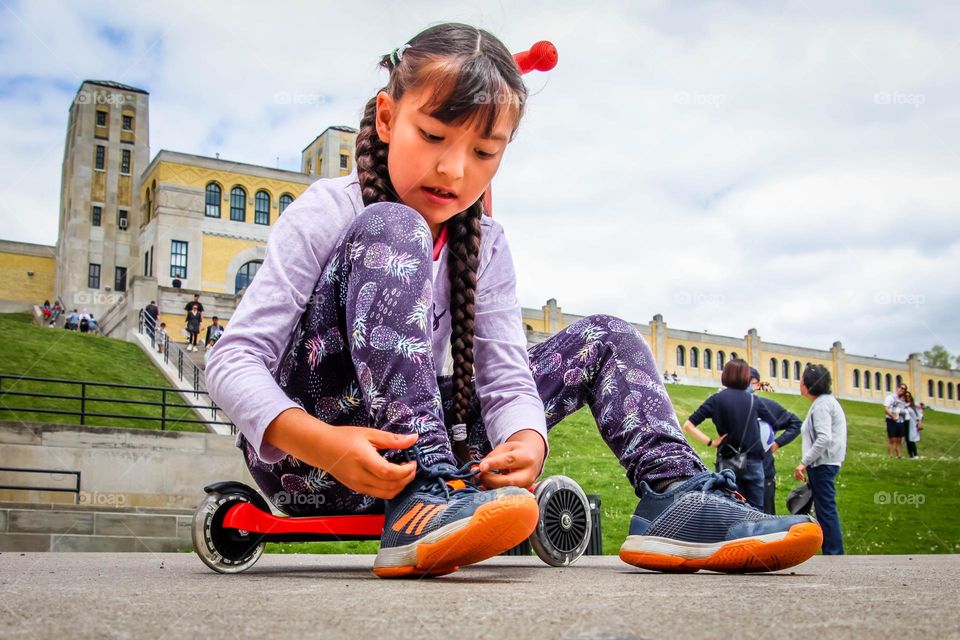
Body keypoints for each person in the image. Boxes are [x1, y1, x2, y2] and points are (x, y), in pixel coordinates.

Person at [206, 22, 821, 578]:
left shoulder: (488, 245)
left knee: (605, 335)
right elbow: (232, 362)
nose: (453, 170)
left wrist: (527, 439)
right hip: (315, 457)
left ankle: (678, 497)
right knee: (393, 228)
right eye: (433, 135)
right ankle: (425, 488)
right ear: (388, 118)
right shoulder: (328, 210)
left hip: (445, 453)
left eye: (483, 152)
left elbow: (504, 376)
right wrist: (321, 442)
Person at [682, 359, 780, 509]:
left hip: (727, 460)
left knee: (729, 508)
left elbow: (688, 425)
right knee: (757, 510)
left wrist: (711, 442)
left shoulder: (716, 399)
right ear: (746, 377)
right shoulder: (754, 400)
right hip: (753, 460)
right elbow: (774, 423)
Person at [795, 364, 847, 555]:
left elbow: (824, 438)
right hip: (824, 463)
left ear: (808, 384)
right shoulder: (824, 402)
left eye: (801, 380)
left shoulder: (822, 405)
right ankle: (832, 551)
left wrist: (804, 462)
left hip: (823, 464)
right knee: (824, 508)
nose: (799, 383)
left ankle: (834, 552)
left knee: (826, 509)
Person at [748, 368, 802, 514]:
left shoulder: (768, 406)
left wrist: (777, 443)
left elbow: (796, 423)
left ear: (757, 385)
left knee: (766, 517)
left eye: (749, 381)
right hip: (738, 472)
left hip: (764, 472)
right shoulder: (731, 406)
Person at [884, 382, 907, 458]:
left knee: (899, 440)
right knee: (892, 439)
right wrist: (892, 416)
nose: (902, 390)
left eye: (904, 389)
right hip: (891, 420)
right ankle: (890, 455)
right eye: (901, 388)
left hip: (900, 421)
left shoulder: (903, 400)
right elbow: (886, 408)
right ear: (898, 388)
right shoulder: (891, 397)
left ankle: (899, 456)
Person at [903, 391, 922, 458]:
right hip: (905, 423)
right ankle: (911, 455)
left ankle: (915, 455)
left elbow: (919, 415)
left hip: (912, 423)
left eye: (909, 396)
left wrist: (919, 423)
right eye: (906, 396)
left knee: (911, 439)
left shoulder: (914, 405)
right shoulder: (903, 404)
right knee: (907, 439)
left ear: (911, 397)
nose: (907, 397)